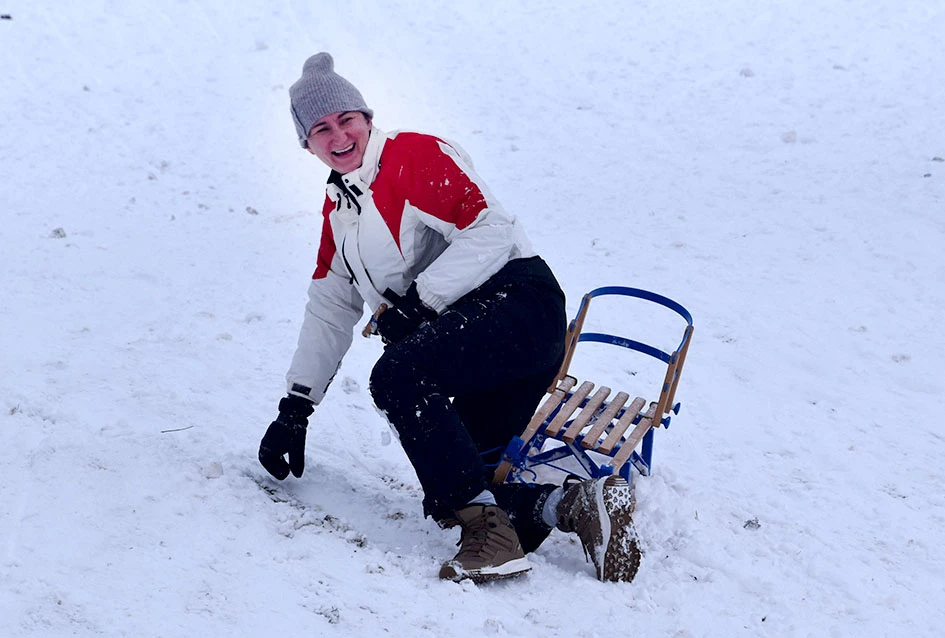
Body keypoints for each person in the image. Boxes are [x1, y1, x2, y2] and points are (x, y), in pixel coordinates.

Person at [258, 52, 640, 583]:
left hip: (518, 305)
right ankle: (575, 505)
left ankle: (491, 541)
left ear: (366, 118)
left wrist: (417, 305)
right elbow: (329, 307)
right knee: (467, 472)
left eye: (346, 119)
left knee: (397, 376)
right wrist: (296, 407)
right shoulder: (340, 213)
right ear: (307, 144)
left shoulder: (412, 156)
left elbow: (491, 228)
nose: (338, 135)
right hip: (476, 334)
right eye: (320, 128)